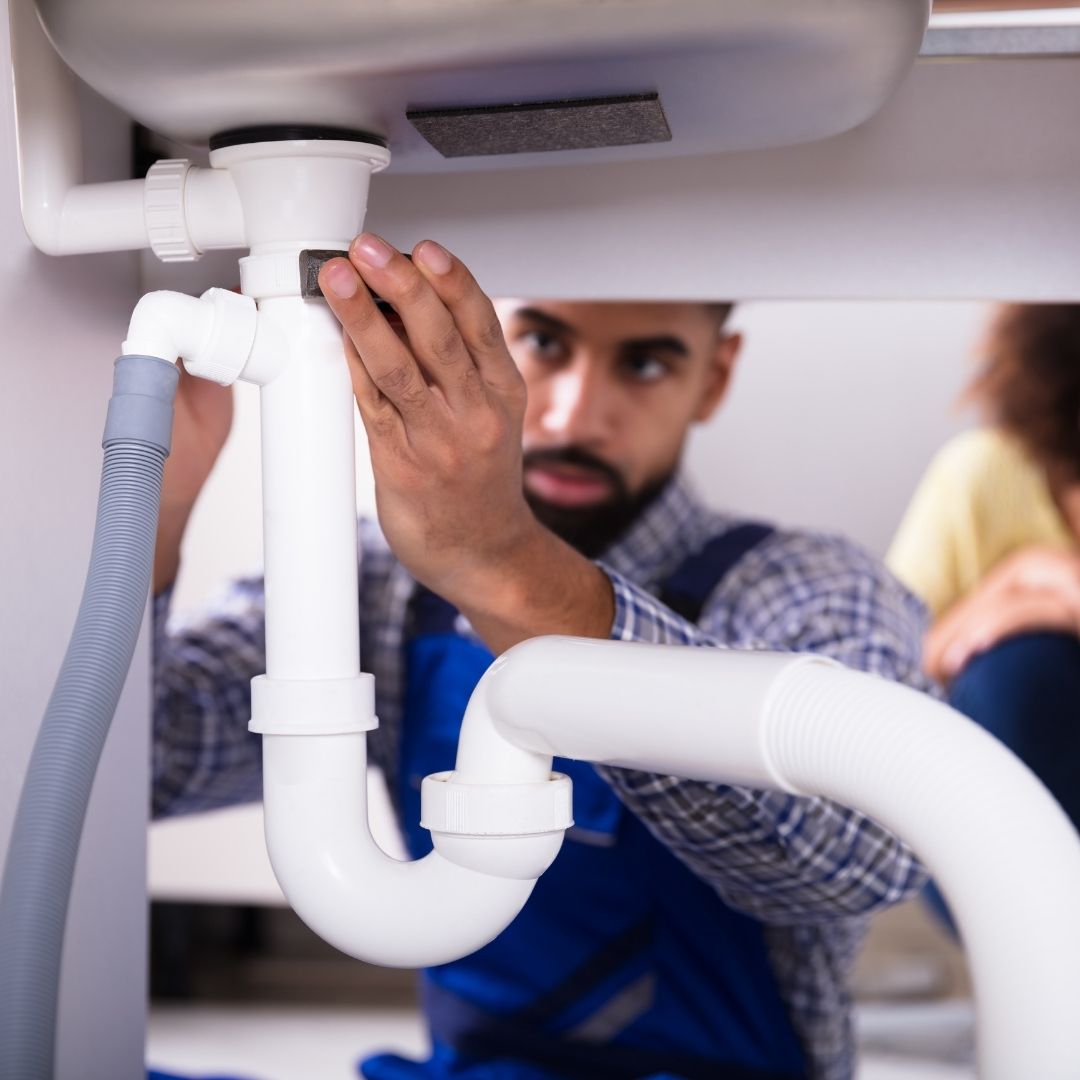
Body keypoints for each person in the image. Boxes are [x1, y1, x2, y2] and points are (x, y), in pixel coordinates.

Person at [154, 233, 931, 1080]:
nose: (572, 417)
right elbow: (138, 766)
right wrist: (159, 508)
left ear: (714, 377)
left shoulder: (812, 589)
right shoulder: (378, 582)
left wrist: (500, 564)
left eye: (644, 366)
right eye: (545, 344)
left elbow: (864, 862)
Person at [887, 303, 1080, 881]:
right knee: (1017, 668)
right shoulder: (982, 474)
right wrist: (1011, 582)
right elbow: (879, 681)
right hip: (989, 856)